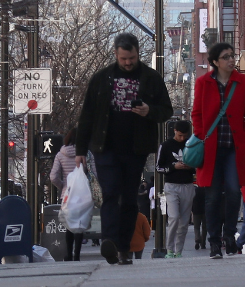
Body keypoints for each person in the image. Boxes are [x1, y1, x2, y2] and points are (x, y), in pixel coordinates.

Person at [76, 33, 173, 266]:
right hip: (105, 147)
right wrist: (80, 149)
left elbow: (166, 110)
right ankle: (110, 241)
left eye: (131, 58)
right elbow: (87, 115)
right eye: (123, 58)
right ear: (115, 55)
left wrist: (149, 110)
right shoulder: (101, 79)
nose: (127, 62)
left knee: (129, 198)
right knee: (110, 193)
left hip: (135, 148)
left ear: (138, 53)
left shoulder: (151, 78)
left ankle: (124, 248)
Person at [192, 42, 245, 259]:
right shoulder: (203, 83)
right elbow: (196, 114)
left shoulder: (243, 81)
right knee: (211, 197)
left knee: (234, 190)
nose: (231, 60)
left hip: (233, 149)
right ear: (215, 62)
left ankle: (230, 235)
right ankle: (214, 242)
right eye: (226, 57)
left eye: (232, 56)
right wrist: (201, 136)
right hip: (210, 149)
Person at [156, 119, 196, 257]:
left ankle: (178, 251)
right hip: (171, 185)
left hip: (188, 185)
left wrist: (191, 167)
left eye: (185, 136)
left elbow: (199, 164)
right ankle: (170, 249)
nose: (182, 138)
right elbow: (158, 167)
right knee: (173, 217)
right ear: (174, 131)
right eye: (180, 135)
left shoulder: (191, 144)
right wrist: (173, 167)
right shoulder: (166, 145)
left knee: (184, 222)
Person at [49, 127, 84, 261]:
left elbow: (53, 176)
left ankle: (69, 254)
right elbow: (94, 173)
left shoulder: (60, 154)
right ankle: (77, 255)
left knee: (69, 226)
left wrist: (63, 185)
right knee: (80, 225)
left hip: (67, 195)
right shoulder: (86, 153)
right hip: (81, 194)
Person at [192, 186, 207, 250]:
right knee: (205, 227)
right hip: (205, 211)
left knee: (196, 227)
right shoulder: (206, 190)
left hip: (196, 211)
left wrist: (192, 209)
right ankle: (203, 243)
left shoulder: (194, 191)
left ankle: (197, 239)